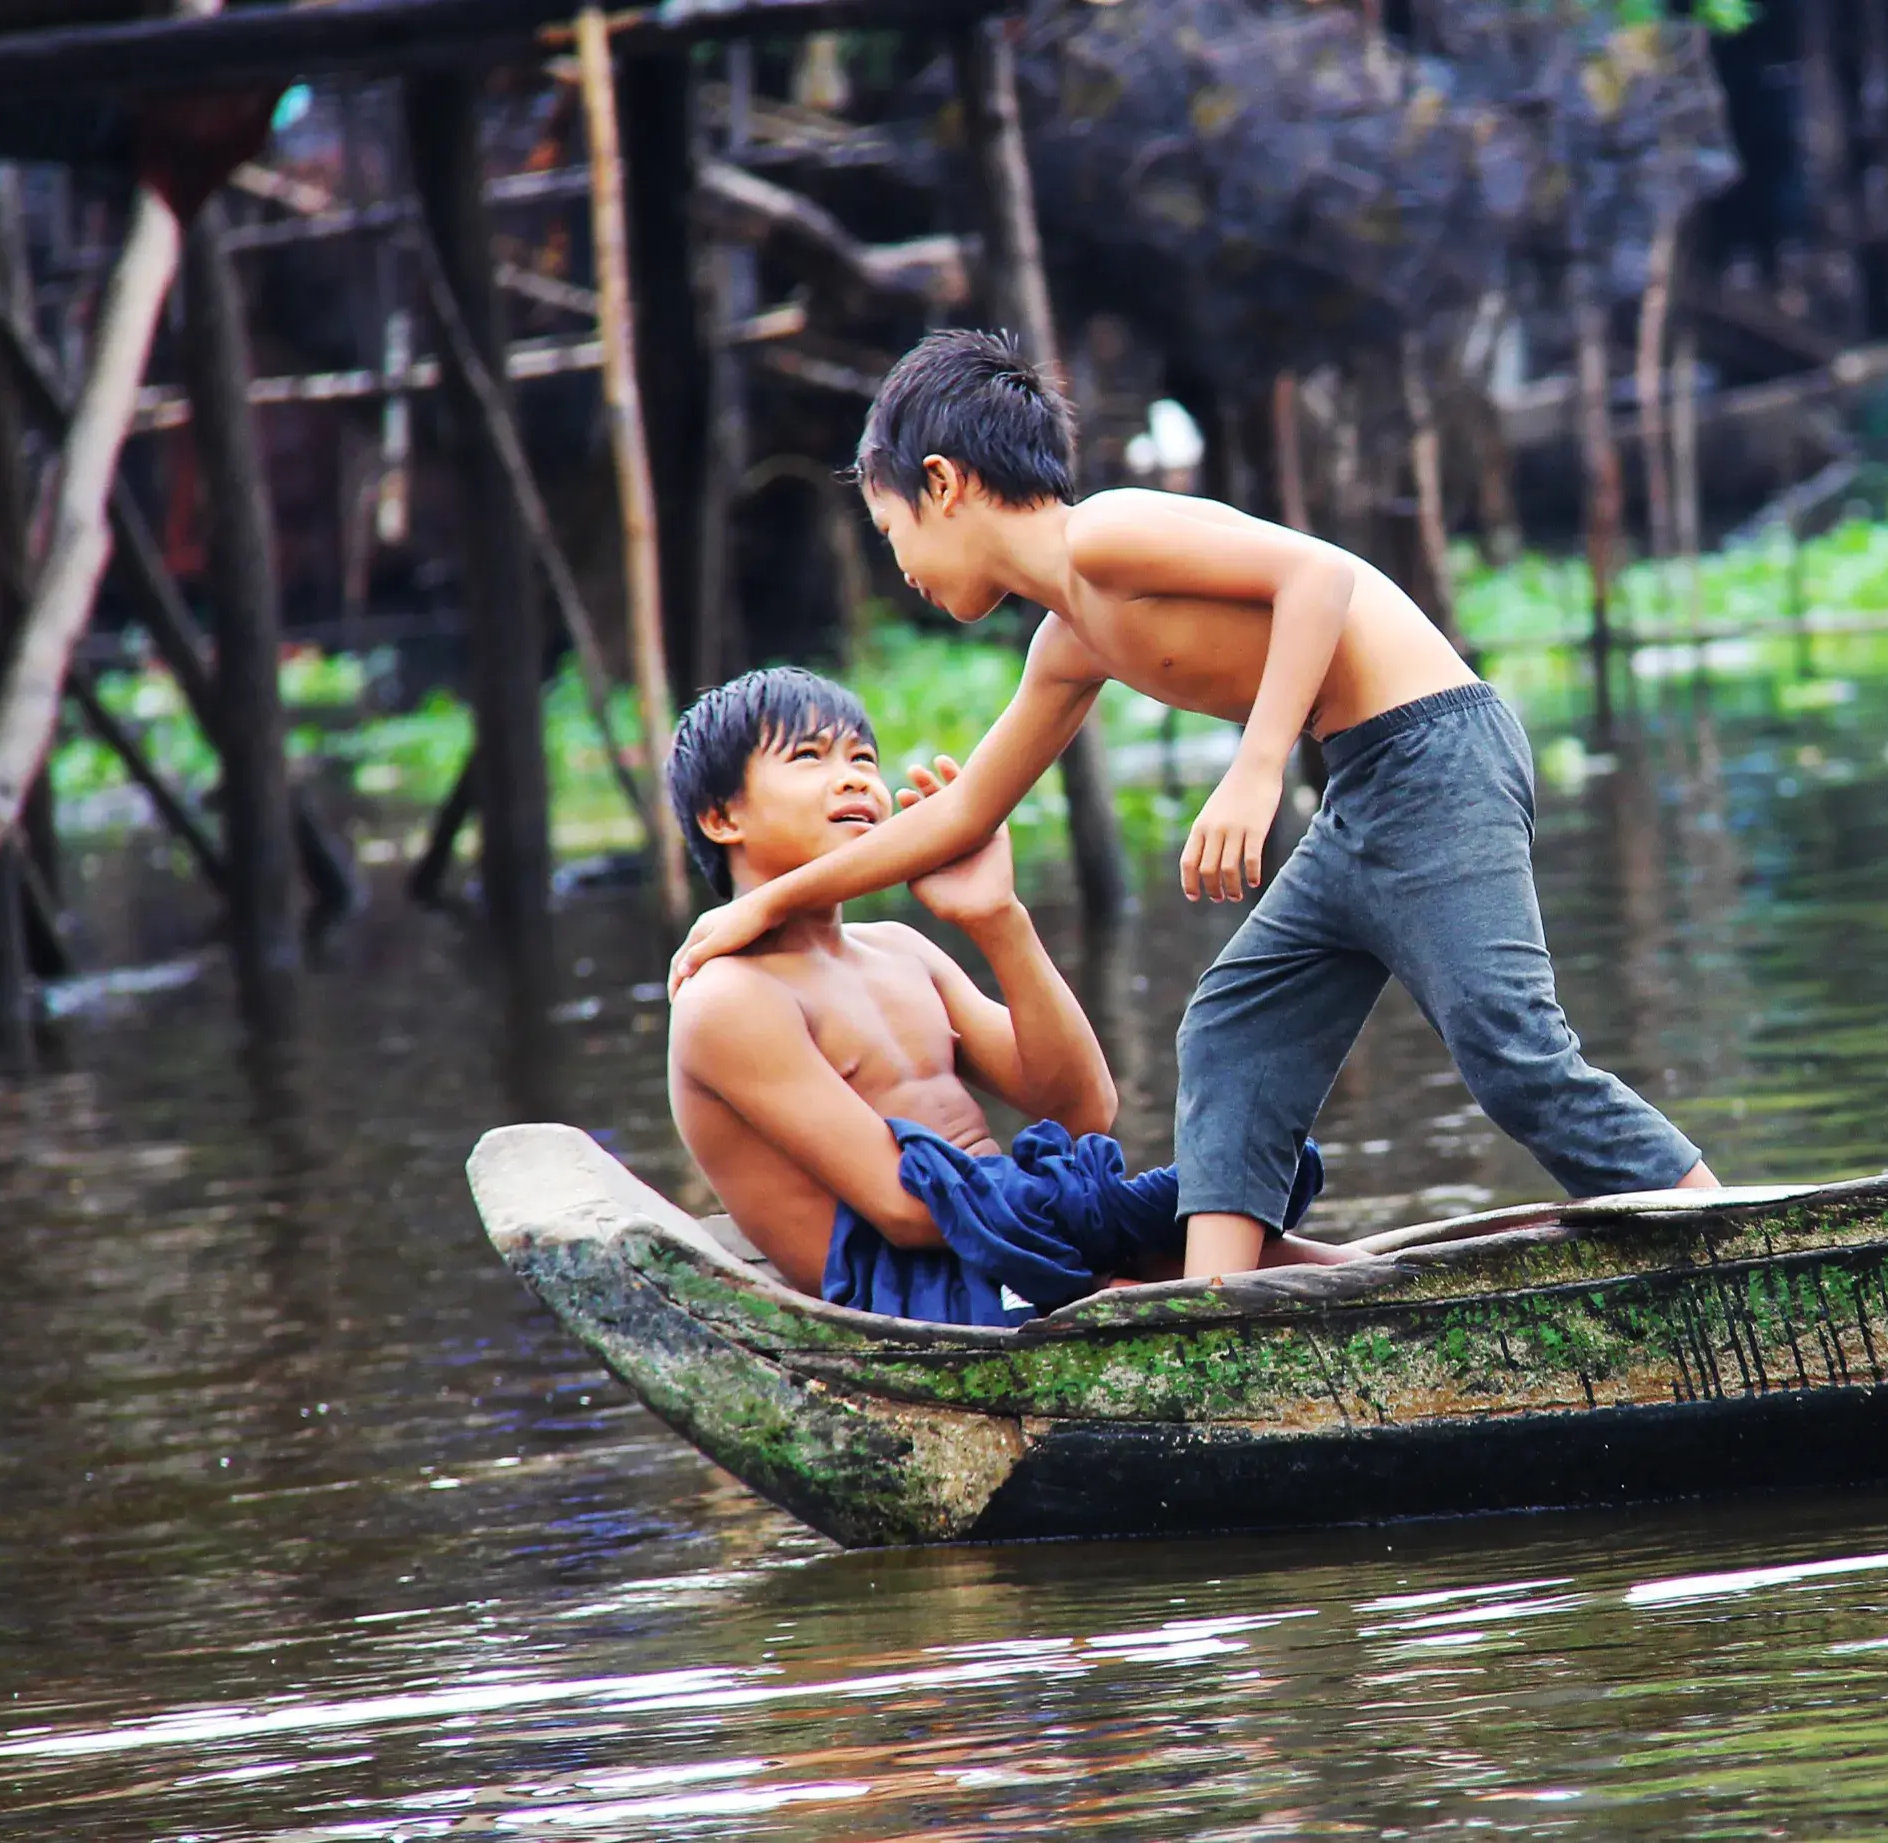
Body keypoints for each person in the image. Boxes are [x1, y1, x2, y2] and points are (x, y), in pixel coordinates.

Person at [667, 329, 1717, 1281]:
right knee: (1230, 1029)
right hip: (1362, 783)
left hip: (1434, 753)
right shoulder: (1066, 642)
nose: (899, 567)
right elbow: (955, 818)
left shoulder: (1106, 536)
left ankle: (1718, 1234)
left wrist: (1257, 771)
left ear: (942, 485)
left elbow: (1318, 579)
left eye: (890, 528)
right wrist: (763, 905)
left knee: (1510, 1053)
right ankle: (1222, 1306)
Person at [661, 666, 1330, 1325]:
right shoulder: (727, 996)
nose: (856, 776)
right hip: (915, 1293)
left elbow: (1083, 1106)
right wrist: (1100, 1213)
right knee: (1189, 1262)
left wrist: (998, 919)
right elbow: (906, 1211)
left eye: (863, 755)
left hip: (1010, 1237)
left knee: (1287, 1252)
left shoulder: (900, 950)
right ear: (722, 817)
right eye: (809, 756)